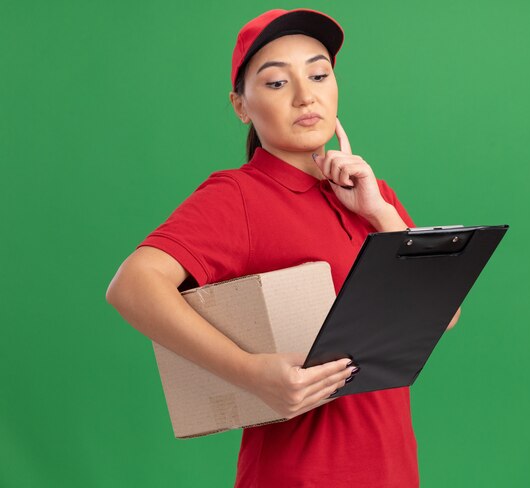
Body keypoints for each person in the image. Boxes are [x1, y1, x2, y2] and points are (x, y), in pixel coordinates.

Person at [106, 8, 461, 487]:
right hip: (297, 474)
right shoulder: (239, 196)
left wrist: (378, 211)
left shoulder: (372, 194)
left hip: (392, 469)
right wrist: (250, 373)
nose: (305, 95)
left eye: (319, 74)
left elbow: (444, 313)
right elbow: (132, 285)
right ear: (241, 105)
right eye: (276, 83)